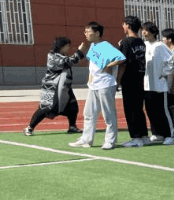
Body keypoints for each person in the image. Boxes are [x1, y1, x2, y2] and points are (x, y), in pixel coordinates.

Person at [70, 22, 125, 150]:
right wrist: (90, 77)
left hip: (106, 84)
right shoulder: (92, 46)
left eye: (88, 31)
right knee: (89, 113)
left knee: (108, 113)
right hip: (94, 85)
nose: (86, 34)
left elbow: (121, 58)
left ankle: (110, 141)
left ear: (97, 33)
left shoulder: (105, 45)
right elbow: (92, 64)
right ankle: (86, 139)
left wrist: (109, 66)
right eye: (85, 31)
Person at [25, 35, 89, 136]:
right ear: (61, 46)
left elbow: (69, 60)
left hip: (64, 87)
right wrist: (79, 51)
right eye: (67, 46)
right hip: (53, 88)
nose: (68, 48)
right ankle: (30, 127)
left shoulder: (61, 55)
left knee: (72, 106)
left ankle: (72, 126)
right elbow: (68, 61)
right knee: (46, 108)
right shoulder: (52, 56)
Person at [138, 21, 174, 145]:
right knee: (150, 111)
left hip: (159, 85)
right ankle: (157, 133)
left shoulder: (160, 45)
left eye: (146, 30)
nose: (144, 32)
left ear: (153, 32)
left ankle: (170, 135)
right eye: (142, 30)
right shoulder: (143, 45)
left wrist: (164, 72)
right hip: (147, 85)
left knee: (162, 111)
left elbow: (173, 60)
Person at [117, 16, 150, 146]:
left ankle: (136, 138)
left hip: (129, 79)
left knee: (130, 109)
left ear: (128, 26)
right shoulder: (141, 42)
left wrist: (117, 81)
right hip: (140, 78)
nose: (123, 27)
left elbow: (122, 63)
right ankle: (144, 136)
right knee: (138, 108)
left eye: (124, 24)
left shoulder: (126, 42)